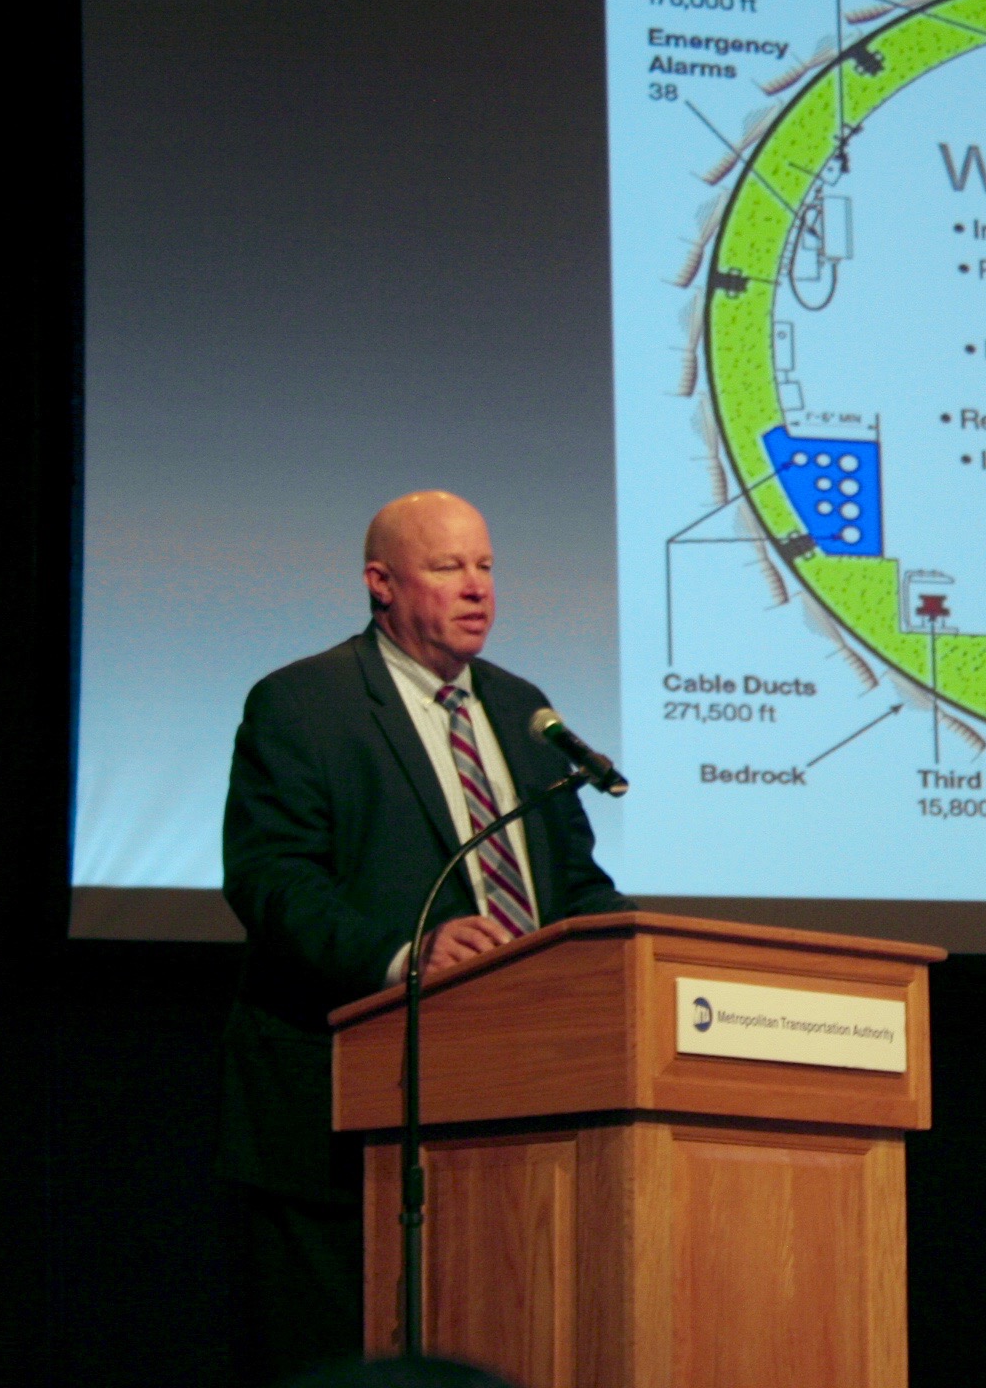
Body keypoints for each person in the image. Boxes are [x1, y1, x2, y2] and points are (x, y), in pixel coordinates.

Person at [219, 491, 631, 1383]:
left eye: (485, 567)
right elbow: (272, 881)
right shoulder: (304, 704)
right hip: (345, 1120)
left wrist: (636, 954)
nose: (477, 588)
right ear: (381, 584)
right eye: (448, 567)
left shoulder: (523, 710)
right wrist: (407, 955)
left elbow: (576, 889)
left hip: (511, 1111)